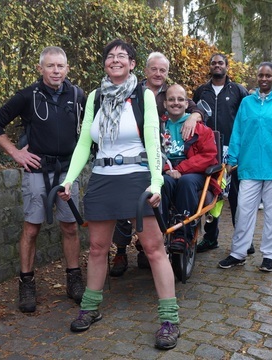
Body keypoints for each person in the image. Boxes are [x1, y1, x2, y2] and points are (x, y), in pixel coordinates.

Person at [58, 39, 180, 350]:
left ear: (132, 64)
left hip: (137, 176)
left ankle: (169, 319)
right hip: (102, 177)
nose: (115, 60)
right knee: (98, 249)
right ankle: (90, 307)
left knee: (153, 249)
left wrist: (156, 182)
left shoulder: (143, 96)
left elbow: (153, 141)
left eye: (121, 56)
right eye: (110, 56)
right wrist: (69, 180)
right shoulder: (96, 97)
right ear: (104, 64)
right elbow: (85, 142)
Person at [0, 46, 86, 313]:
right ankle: (26, 283)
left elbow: (90, 130)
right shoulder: (27, 96)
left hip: (67, 172)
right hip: (36, 170)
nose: (56, 71)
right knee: (31, 229)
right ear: (40, 68)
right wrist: (16, 153)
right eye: (50, 66)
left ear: (67, 68)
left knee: (70, 227)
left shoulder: (78, 96)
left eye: (60, 66)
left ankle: (74, 280)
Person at [110, 52, 204, 277]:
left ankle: (145, 247)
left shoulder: (169, 94)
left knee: (151, 197)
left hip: (158, 154)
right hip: (131, 151)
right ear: (145, 70)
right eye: (154, 69)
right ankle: (121, 250)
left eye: (163, 70)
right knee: (126, 199)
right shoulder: (132, 89)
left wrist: (194, 116)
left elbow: (194, 107)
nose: (159, 74)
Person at [218, 62, 272, 272]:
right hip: (250, 166)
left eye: (268, 76)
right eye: (260, 75)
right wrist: (232, 158)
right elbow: (237, 131)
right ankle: (238, 253)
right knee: (243, 211)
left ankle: (269, 255)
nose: (264, 79)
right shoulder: (247, 103)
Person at [192, 53, 250, 253]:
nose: (217, 66)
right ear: (209, 67)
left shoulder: (238, 91)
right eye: (213, 63)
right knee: (210, 194)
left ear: (226, 66)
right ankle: (210, 238)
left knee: (236, 196)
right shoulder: (201, 91)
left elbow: (247, 119)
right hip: (207, 151)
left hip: (232, 151)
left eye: (220, 63)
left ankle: (244, 241)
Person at [161, 84, 221, 251]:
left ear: (187, 104)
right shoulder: (158, 127)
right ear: (165, 104)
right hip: (167, 171)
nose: (176, 103)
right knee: (162, 183)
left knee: (186, 182)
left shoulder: (200, 129)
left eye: (180, 99)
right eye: (171, 99)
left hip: (194, 173)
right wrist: (167, 169)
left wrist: (181, 168)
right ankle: (159, 231)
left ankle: (183, 235)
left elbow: (209, 156)